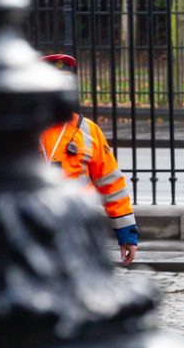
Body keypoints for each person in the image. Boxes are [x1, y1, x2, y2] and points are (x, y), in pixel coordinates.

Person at [39, 54, 139, 266]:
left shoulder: (88, 130)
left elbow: (111, 185)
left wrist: (126, 233)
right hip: (35, 231)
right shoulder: (22, 128)